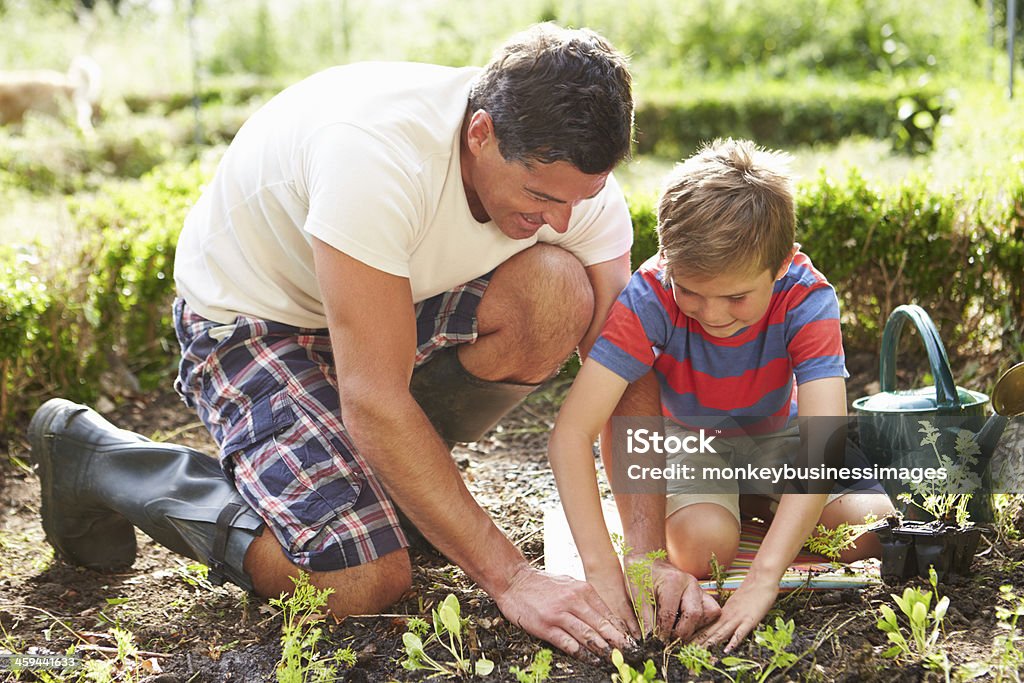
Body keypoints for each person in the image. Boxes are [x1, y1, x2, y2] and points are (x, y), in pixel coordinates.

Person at [27, 23, 697, 658]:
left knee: (558, 294)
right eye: (538, 195)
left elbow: (625, 365)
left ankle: (382, 483)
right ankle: (100, 460)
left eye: (579, 198)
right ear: (481, 134)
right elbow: (373, 395)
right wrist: (513, 578)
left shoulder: (570, 192)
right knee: (362, 578)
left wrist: (645, 555)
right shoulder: (376, 153)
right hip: (255, 323)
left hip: (387, 308)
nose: (560, 217)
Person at [546, 138, 896, 650]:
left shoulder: (807, 296)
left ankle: (765, 508)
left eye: (736, 297)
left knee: (872, 529)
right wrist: (605, 571)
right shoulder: (650, 295)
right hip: (691, 440)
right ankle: (747, 508)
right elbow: (570, 435)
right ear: (667, 260)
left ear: (780, 267)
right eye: (691, 290)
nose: (712, 314)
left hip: (779, 435)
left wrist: (764, 578)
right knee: (701, 550)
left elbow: (822, 445)